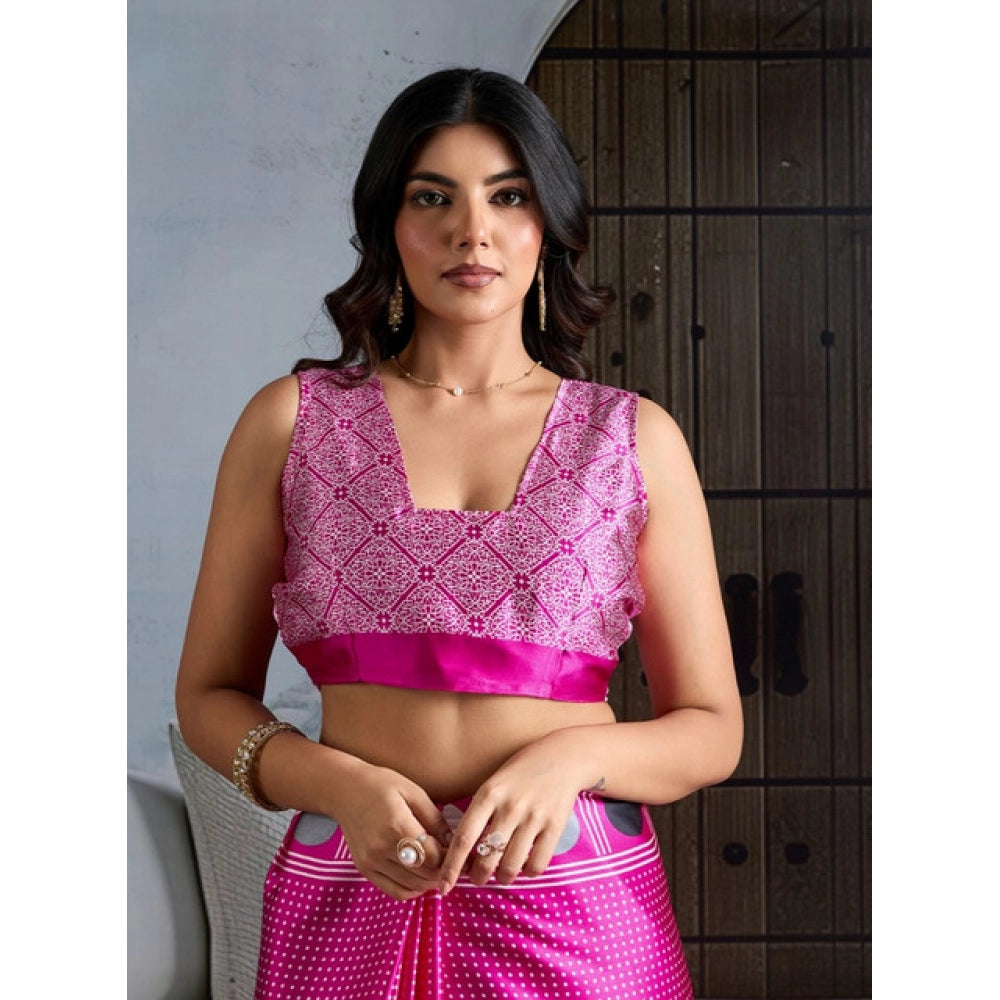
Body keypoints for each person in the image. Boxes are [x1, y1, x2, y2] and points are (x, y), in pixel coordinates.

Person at [175, 66, 742, 1000]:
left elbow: (712, 730)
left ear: (547, 223)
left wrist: (574, 757)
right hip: (350, 895)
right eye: (431, 197)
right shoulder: (293, 421)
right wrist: (337, 785)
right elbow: (208, 696)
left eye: (507, 196)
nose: (471, 231)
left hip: (576, 912)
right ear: (387, 225)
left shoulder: (630, 437)